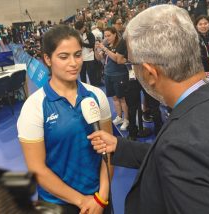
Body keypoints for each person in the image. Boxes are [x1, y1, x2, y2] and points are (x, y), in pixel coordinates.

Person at [88, 5, 209, 213]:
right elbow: (192, 156)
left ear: (150, 73)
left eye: (134, 64)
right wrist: (121, 147)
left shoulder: (183, 141)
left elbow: (184, 153)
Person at [17, 25, 112, 214]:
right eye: (63, 56)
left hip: (98, 200)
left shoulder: (96, 96)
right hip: (56, 204)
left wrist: (101, 196)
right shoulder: (34, 107)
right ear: (47, 59)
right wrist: (82, 201)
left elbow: (108, 152)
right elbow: (37, 169)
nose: (74, 63)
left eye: (77, 55)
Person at [95, 27, 129, 131]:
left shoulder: (120, 44)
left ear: (115, 34)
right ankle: (119, 117)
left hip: (119, 74)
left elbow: (116, 59)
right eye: (105, 36)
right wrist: (96, 49)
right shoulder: (106, 44)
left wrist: (105, 49)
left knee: (122, 98)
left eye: (109, 35)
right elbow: (99, 58)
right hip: (108, 74)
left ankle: (126, 119)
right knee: (114, 98)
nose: (107, 38)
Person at [74, 21, 98, 86]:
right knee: (82, 75)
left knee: (92, 75)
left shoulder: (89, 34)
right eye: (77, 30)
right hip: (81, 58)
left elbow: (92, 45)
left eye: (80, 29)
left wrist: (82, 43)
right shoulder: (76, 35)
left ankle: (95, 89)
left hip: (90, 57)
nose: (78, 31)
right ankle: (84, 88)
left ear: (83, 28)